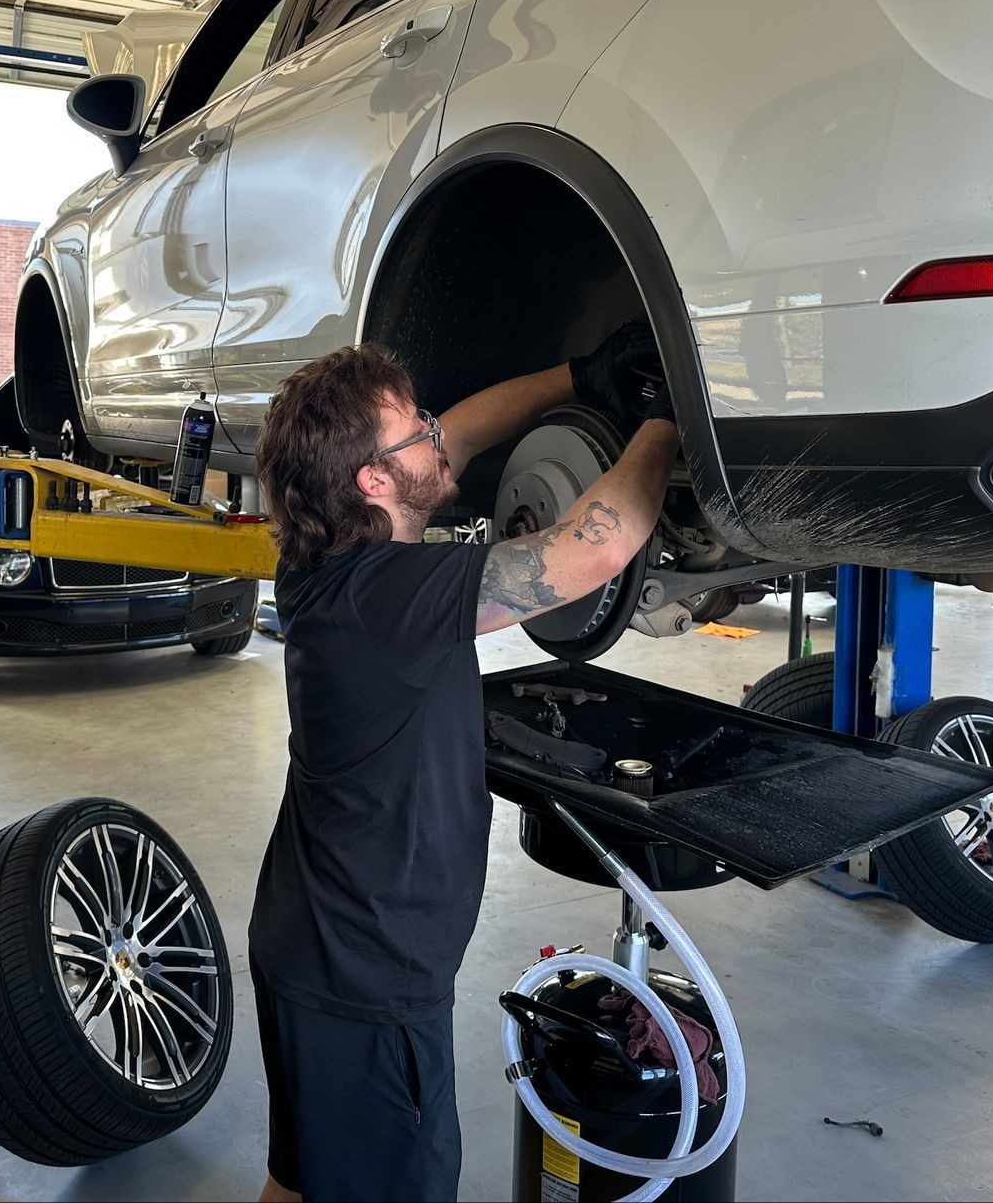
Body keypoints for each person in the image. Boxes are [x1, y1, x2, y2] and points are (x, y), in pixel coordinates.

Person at [248, 321, 678, 1203]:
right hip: (368, 987)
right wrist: (668, 425)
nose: (441, 437)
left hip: (309, 950)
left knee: (301, 1182)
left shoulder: (324, 560)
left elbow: (461, 436)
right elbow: (588, 550)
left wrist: (577, 372)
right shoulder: (393, 596)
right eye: (417, 431)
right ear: (375, 480)